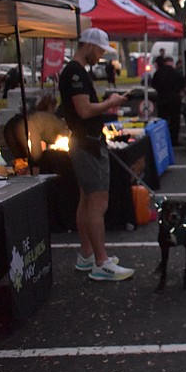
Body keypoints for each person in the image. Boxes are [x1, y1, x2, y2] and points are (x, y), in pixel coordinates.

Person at [58, 27, 134, 281]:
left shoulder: (74, 72)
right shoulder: (75, 73)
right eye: (100, 50)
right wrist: (111, 102)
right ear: (89, 46)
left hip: (83, 142)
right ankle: (100, 262)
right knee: (98, 203)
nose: (101, 56)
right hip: (87, 143)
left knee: (87, 199)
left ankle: (87, 254)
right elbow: (84, 110)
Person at [150, 55, 186, 146]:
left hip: (162, 99)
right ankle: (174, 140)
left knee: (162, 120)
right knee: (175, 121)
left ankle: (162, 140)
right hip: (174, 99)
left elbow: (153, 84)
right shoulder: (175, 72)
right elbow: (183, 82)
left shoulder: (158, 73)